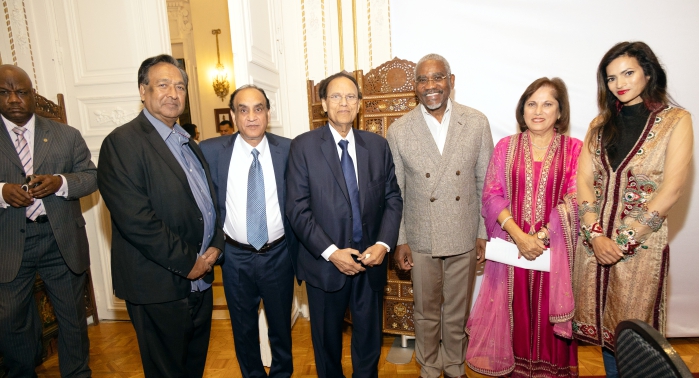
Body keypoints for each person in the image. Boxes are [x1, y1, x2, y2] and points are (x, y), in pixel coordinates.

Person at [97, 54, 224, 377]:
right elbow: (136, 219)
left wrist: (217, 244)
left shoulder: (187, 143)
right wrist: (188, 262)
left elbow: (210, 203)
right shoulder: (122, 143)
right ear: (143, 91)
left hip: (200, 281)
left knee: (192, 367)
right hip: (159, 285)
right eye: (163, 85)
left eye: (179, 86)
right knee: (166, 371)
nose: (173, 93)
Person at [572, 41, 694, 378]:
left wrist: (622, 242)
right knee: (606, 337)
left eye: (627, 73)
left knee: (635, 337)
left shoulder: (676, 121)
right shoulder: (600, 123)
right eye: (610, 78)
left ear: (648, 72)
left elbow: (672, 189)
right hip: (593, 247)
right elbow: (583, 179)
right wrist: (596, 234)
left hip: (639, 250)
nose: (619, 83)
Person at [286, 72, 403, 378]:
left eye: (351, 97)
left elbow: (392, 198)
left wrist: (383, 244)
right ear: (323, 104)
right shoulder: (303, 147)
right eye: (335, 96)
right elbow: (297, 209)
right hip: (324, 264)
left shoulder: (377, 146)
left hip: (371, 262)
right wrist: (331, 252)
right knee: (326, 345)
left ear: (360, 105)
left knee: (368, 341)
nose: (343, 103)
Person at [386, 53, 493, 378]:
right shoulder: (400, 129)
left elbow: (484, 182)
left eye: (438, 77)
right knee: (426, 312)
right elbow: (396, 192)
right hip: (420, 237)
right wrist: (401, 239)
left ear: (451, 81)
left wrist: (483, 232)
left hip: (462, 234)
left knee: (457, 313)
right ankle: (430, 368)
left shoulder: (476, 122)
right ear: (415, 87)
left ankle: (454, 367)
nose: (431, 85)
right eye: (422, 79)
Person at [466, 77, 581, 377]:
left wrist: (541, 237)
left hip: (554, 256)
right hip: (512, 254)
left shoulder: (574, 149)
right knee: (513, 314)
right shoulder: (506, 146)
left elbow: (577, 199)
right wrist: (520, 237)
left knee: (547, 320)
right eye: (532, 103)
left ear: (560, 111)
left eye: (547, 104)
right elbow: (491, 195)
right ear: (522, 109)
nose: (538, 110)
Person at [0, 65, 96, 377]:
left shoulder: (65, 135)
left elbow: (92, 177)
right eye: (4, 92)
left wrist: (60, 183)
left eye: (22, 92)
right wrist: (2, 192)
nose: (14, 99)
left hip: (60, 241)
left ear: (32, 94)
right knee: (11, 322)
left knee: (72, 320)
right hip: (9, 244)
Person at [200, 85, 297, 378]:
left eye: (258, 109)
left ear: (268, 113)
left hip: (278, 254)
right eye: (243, 110)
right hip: (235, 258)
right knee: (242, 330)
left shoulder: (290, 149)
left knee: (281, 327)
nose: (251, 117)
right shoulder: (211, 151)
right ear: (233, 114)